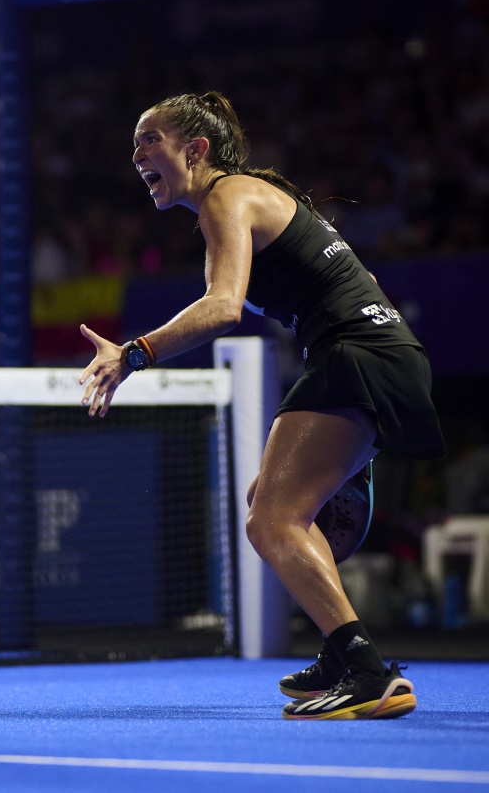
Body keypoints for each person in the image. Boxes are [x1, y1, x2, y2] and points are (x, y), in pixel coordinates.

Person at [78, 91, 445, 721]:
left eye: (150, 139)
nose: (135, 153)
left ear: (197, 149)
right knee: (267, 506)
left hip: (356, 356)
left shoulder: (227, 195)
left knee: (271, 521)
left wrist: (133, 354)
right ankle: (340, 656)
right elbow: (365, 284)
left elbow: (222, 308)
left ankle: (365, 671)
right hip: (379, 352)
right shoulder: (250, 200)